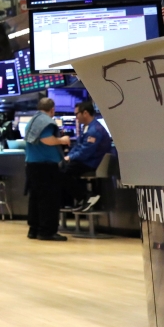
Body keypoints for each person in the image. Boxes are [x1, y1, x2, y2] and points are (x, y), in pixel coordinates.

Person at [24, 97, 71, 241]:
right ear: (52, 110)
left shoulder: (31, 121)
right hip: (45, 167)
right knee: (49, 200)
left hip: (32, 166)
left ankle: (34, 229)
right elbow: (46, 139)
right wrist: (62, 140)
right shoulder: (46, 122)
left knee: (35, 199)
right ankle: (47, 231)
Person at [62, 101, 112, 209]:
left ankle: (85, 197)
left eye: (76, 114)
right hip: (86, 160)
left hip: (93, 163)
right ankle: (82, 199)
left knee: (63, 172)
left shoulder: (94, 130)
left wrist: (69, 157)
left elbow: (85, 152)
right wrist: (69, 157)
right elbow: (78, 146)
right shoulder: (87, 127)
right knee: (63, 168)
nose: (76, 117)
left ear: (85, 113)